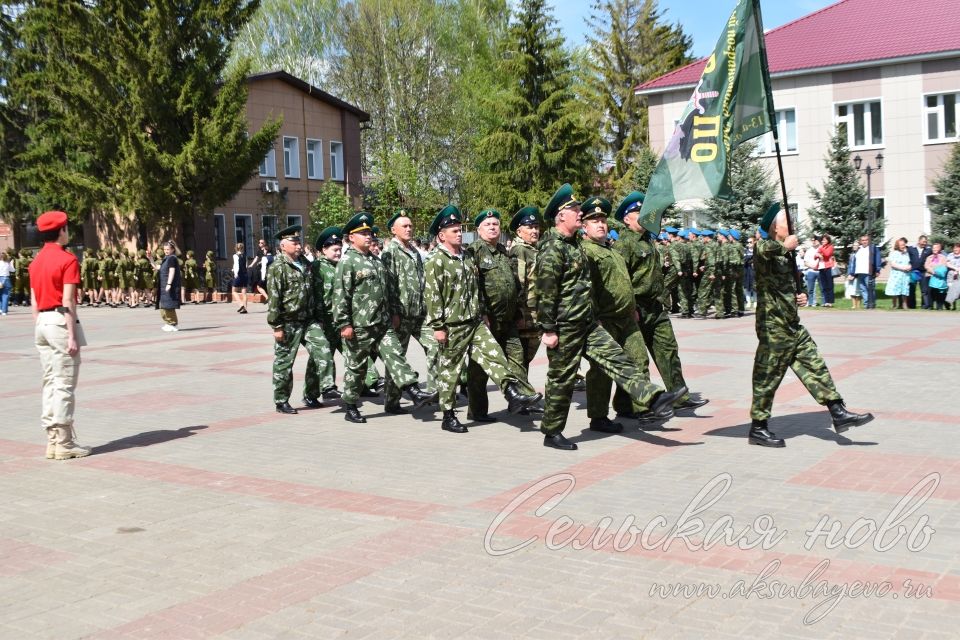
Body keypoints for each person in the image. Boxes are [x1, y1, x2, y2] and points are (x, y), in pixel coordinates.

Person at [535, 184, 682, 451]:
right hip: (565, 326)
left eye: (579, 209)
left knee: (618, 359)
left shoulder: (574, 245)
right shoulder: (553, 248)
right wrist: (548, 329)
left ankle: (653, 397)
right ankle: (552, 431)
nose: (579, 213)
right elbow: (545, 291)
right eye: (574, 209)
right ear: (561, 215)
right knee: (561, 380)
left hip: (587, 322)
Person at [748, 204, 873, 448]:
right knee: (767, 377)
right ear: (775, 226)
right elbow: (763, 249)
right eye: (786, 220)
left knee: (815, 364)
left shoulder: (787, 254)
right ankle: (758, 428)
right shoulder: (765, 248)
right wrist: (784, 246)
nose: (791, 223)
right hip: (773, 326)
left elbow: (794, 284)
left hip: (792, 325)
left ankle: (838, 411)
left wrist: (801, 295)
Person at [423, 205, 541, 434]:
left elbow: (476, 288)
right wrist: (438, 326)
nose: (459, 233)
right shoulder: (436, 260)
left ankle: (513, 394)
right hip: (452, 324)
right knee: (450, 370)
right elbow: (432, 295)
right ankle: (448, 415)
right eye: (454, 230)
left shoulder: (466, 256)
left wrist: (482, 312)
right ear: (441, 235)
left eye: (459, 229)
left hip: (475, 321)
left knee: (495, 357)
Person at [334, 212, 434, 423]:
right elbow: (341, 295)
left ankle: (414, 392)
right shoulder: (348, 262)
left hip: (382, 323)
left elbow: (388, 291)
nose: (368, 236)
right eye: (362, 233)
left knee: (396, 356)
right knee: (357, 368)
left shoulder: (376, 261)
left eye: (369, 232)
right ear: (352, 238)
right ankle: (350, 405)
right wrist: (345, 324)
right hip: (360, 325)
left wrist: (393, 313)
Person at [613, 192, 708, 414]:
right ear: (627, 219)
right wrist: (630, 307)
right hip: (636, 308)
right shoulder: (623, 244)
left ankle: (679, 395)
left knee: (668, 350)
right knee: (636, 360)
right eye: (638, 214)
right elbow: (621, 280)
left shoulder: (649, 240)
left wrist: (664, 293)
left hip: (655, 307)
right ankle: (631, 406)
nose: (644, 217)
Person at [465, 208, 541, 422]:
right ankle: (477, 411)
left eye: (496, 224)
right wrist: (481, 313)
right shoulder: (474, 251)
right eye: (488, 224)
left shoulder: (503, 251)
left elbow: (514, 284)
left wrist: (517, 310)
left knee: (517, 357)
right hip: (487, 320)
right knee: (479, 369)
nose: (492, 227)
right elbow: (473, 286)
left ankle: (523, 399)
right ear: (479, 230)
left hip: (508, 319)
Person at [29, 211, 90, 460]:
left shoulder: (36, 261)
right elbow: (67, 300)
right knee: (64, 383)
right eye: (66, 228)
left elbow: (33, 299)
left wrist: (40, 323)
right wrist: (71, 334)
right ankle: (64, 442)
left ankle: (52, 441)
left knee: (50, 382)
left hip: (41, 321)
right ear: (61, 231)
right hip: (59, 320)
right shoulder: (67, 260)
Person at [380, 210, 440, 415]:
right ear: (393, 230)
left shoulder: (414, 251)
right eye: (404, 226)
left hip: (420, 314)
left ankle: (432, 393)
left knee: (435, 346)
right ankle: (392, 401)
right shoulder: (390, 253)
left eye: (410, 226)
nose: (409, 229)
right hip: (401, 315)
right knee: (398, 357)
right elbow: (389, 285)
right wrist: (394, 312)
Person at [266, 225, 324, 414]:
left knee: (321, 351)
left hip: (308, 320)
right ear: (283, 245)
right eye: (294, 242)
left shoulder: (306, 264)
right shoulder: (277, 267)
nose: (299, 246)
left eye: (299, 242)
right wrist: (277, 326)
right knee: (284, 362)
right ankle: (281, 400)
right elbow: (274, 298)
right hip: (288, 322)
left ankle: (311, 394)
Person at [508, 206, 542, 370]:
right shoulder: (520, 250)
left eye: (536, 227)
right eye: (530, 227)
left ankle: (522, 388)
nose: (534, 231)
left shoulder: (533, 249)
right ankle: (521, 390)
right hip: (526, 314)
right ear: (519, 232)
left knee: (526, 359)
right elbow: (517, 283)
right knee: (521, 359)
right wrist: (518, 314)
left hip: (535, 313)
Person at [156, 241, 181, 331]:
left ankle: (172, 324)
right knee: (163, 305)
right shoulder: (166, 258)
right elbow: (157, 267)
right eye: (165, 249)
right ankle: (168, 322)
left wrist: (169, 283)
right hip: (163, 286)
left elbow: (172, 271)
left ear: (173, 249)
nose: (166, 251)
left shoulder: (172, 258)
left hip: (168, 285)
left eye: (168, 249)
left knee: (168, 305)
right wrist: (150, 259)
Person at [854, 234, 883, 309]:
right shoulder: (859, 249)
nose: (864, 242)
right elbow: (855, 261)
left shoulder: (872, 248)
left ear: (869, 241)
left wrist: (877, 269)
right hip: (860, 272)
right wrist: (852, 272)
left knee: (870, 288)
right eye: (863, 240)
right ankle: (866, 304)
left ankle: (872, 304)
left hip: (868, 272)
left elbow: (877, 258)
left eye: (866, 240)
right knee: (863, 289)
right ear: (860, 241)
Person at [925, 242, 955, 310]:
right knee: (930, 292)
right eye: (933, 248)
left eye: (936, 248)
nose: (934, 249)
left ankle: (939, 306)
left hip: (939, 277)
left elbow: (943, 266)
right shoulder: (929, 257)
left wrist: (935, 270)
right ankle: (930, 306)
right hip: (930, 275)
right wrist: (933, 271)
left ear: (939, 249)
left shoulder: (943, 257)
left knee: (940, 292)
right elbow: (926, 266)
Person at [884, 237, 911, 309]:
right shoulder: (894, 253)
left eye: (904, 244)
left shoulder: (907, 254)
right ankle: (894, 305)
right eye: (901, 245)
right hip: (896, 275)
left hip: (905, 275)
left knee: (904, 290)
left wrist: (909, 267)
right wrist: (903, 268)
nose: (903, 246)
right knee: (895, 290)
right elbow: (893, 264)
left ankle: (904, 304)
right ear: (898, 245)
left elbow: (909, 262)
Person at [907, 235, 932, 309]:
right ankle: (911, 306)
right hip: (913, 272)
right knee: (912, 289)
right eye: (924, 241)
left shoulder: (928, 250)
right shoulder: (911, 249)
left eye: (926, 242)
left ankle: (925, 305)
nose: (925, 243)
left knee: (924, 290)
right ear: (919, 241)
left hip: (923, 272)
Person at [232, 242, 251, 313]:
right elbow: (246, 266)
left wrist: (235, 273)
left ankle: (241, 305)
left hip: (239, 275)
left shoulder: (235, 255)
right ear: (242, 248)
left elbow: (236, 265)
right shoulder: (245, 255)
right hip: (245, 274)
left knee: (234, 291)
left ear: (236, 248)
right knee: (244, 292)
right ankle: (245, 309)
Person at [743, 235, 756, 311]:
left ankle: (755, 301)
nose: (749, 244)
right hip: (747, 271)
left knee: (755, 287)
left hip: (754, 271)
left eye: (750, 242)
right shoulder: (745, 251)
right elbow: (744, 260)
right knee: (746, 287)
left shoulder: (756, 251)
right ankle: (748, 302)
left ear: (754, 242)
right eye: (748, 242)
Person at [0, 250, 13, 315]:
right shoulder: (8, 263)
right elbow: (13, 270)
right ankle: (4, 311)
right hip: (6, 279)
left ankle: (0, 309)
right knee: (5, 295)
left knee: (0, 295)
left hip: (0, 278)